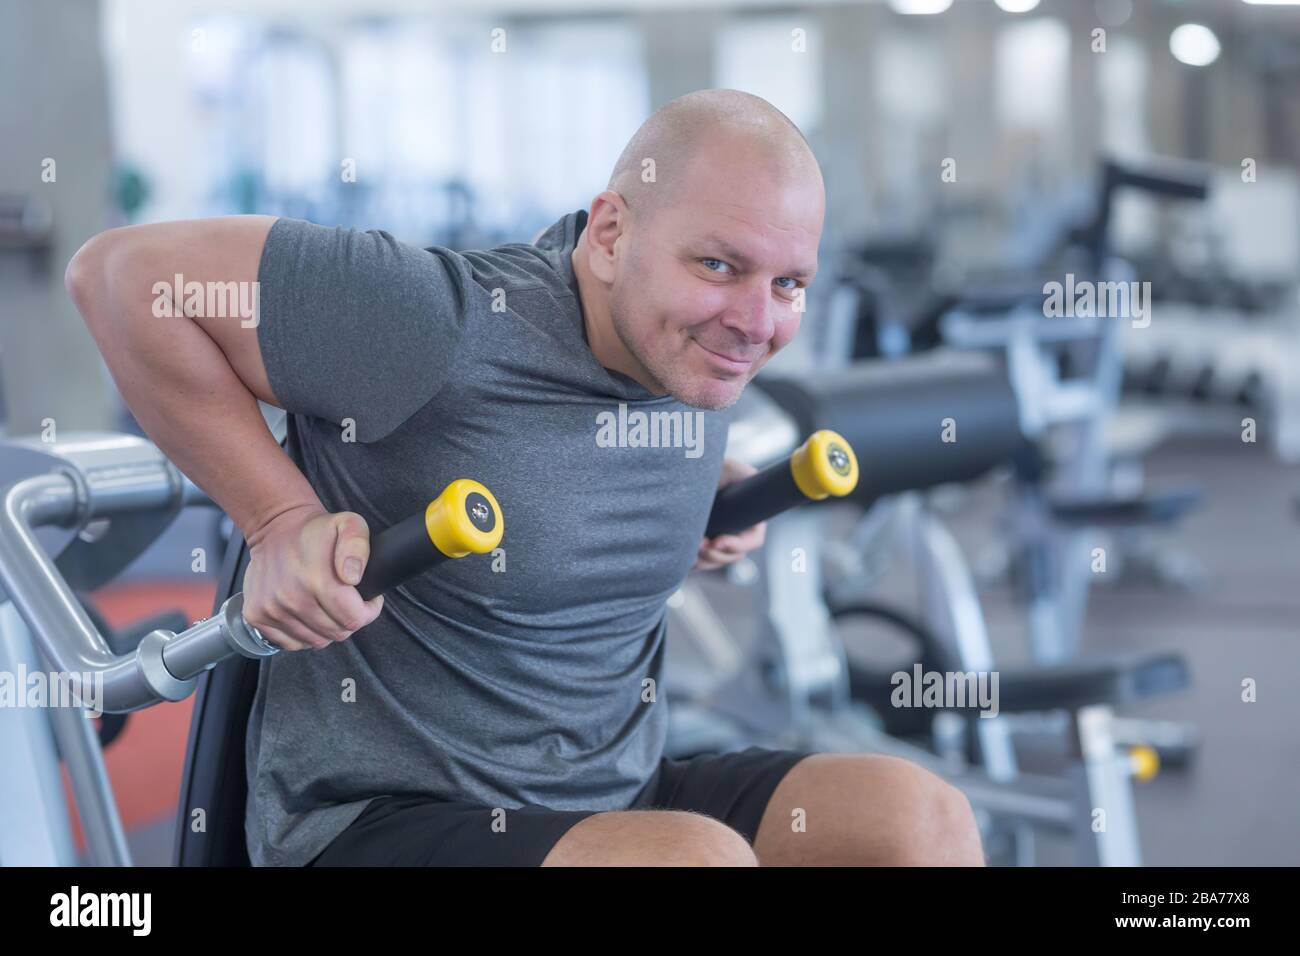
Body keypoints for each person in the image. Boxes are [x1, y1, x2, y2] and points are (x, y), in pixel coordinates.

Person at [66, 88, 983, 866]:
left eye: (789, 284)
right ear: (613, 233)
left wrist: (691, 503)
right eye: (719, 264)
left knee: (919, 824)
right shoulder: (437, 321)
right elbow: (122, 277)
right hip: (386, 814)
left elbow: (574, 455)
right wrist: (277, 520)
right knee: (698, 861)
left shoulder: (688, 354)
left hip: (619, 788)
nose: (757, 320)